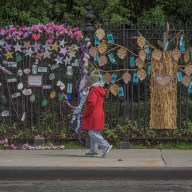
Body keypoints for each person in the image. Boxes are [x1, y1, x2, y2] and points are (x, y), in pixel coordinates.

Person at [82, 70, 112, 158]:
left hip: (94, 113)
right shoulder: (99, 89)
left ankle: (105, 146)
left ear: (90, 82)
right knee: (96, 132)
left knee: (92, 132)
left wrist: (86, 113)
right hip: (99, 112)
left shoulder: (93, 90)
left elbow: (91, 103)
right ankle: (93, 151)